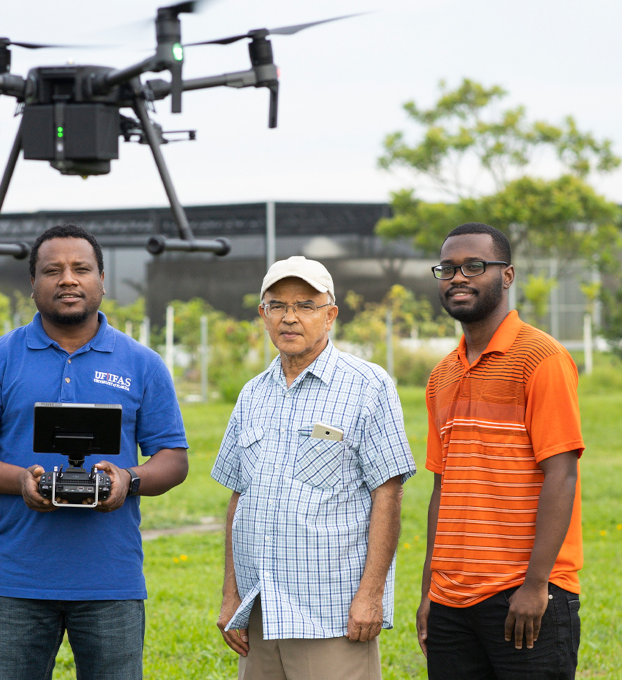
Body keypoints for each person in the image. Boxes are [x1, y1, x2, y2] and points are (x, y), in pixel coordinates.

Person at [0, 223, 189, 680]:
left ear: (101, 279)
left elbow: (173, 459)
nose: (68, 279)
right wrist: (19, 480)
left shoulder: (141, 363)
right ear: (32, 284)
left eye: (81, 269)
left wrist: (127, 480)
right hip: (20, 579)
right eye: (52, 270)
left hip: (111, 581)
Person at [212, 256, 416, 680]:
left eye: (306, 304)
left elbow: (388, 493)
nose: (290, 317)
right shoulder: (252, 394)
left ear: (330, 315)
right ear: (263, 315)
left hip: (331, 613)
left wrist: (371, 596)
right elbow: (239, 498)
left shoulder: (367, 385)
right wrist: (231, 596)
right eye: (277, 306)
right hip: (260, 610)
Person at [416, 223, 583, 680]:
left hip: (523, 595)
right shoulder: (441, 376)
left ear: (506, 276)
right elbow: (442, 489)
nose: (457, 278)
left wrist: (536, 586)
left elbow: (562, 476)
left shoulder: (541, 358)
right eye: (447, 269)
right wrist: (431, 590)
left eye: (474, 266)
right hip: (451, 602)